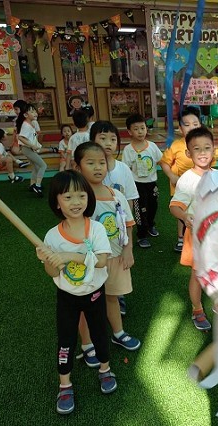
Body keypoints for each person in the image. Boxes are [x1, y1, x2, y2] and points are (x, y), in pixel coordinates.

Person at [35, 170, 117, 415]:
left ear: (88, 198)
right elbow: (52, 272)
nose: (76, 202)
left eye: (81, 195)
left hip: (94, 293)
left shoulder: (97, 229)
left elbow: (101, 261)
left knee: (99, 332)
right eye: (68, 197)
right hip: (67, 297)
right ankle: (65, 384)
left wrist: (70, 255)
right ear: (57, 202)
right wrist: (47, 259)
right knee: (66, 339)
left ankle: (105, 369)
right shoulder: (52, 236)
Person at [72, 142, 141, 370]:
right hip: (89, 262)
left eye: (101, 162)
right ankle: (87, 344)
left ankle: (118, 333)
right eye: (90, 163)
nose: (98, 167)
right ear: (78, 167)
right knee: (86, 304)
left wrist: (128, 249)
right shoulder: (78, 199)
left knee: (112, 297)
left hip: (116, 257)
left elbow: (128, 224)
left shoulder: (116, 195)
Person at [91, 120, 140, 315]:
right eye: (102, 138)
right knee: (97, 265)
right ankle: (97, 298)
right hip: (94, 233)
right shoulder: (88, 171)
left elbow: (130, 200)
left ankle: (117, 298)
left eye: (112, 139)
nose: (108, 143)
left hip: (117, 232)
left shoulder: (123, 169)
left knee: (118, 267)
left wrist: (128, 242)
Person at [169, 126, 216, 331]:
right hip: (197, 235)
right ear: (189, 153)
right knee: (197, 274)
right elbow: (174, 206)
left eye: (207, 147)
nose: (203, 152)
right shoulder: (187, 179)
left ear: (214, 150)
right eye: (197, 149)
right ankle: (197, 309)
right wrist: (184, 216)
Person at [159, 107, 203, 252]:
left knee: (198, 210)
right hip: (181, 186)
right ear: (180, 128)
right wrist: (172, 176)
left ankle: (198, 236)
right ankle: (180, 238)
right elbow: (164, 162)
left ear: (200, 125)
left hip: (199, 185)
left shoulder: (203, 144)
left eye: (195, 124)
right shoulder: (176, 145)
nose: (191, 127)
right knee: (182, 214)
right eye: (187, 124)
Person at [122, 114, 163, 249]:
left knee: (153, 206)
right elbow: (126, 169)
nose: (140, 132)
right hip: (137, 185)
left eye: (142, 128)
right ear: (129, 132)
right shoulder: (128, 150)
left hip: (152, 184)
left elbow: (161, 161)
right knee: (140, 209)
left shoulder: (152, 146)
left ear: (146, 129)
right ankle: (142, 235)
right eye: (136, 129)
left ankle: (150, 225)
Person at [15, 103, 47, 196]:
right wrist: (32, 145)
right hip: (27, 149)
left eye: (35, 111)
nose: (35, 113)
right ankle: (37, 185)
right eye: (32, 112)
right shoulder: (26, 125)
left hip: (27, 149)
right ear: (25, 115)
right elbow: (20, 137)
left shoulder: (30, 124)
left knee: (36, 167)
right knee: (43, 166)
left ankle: (32, 184)